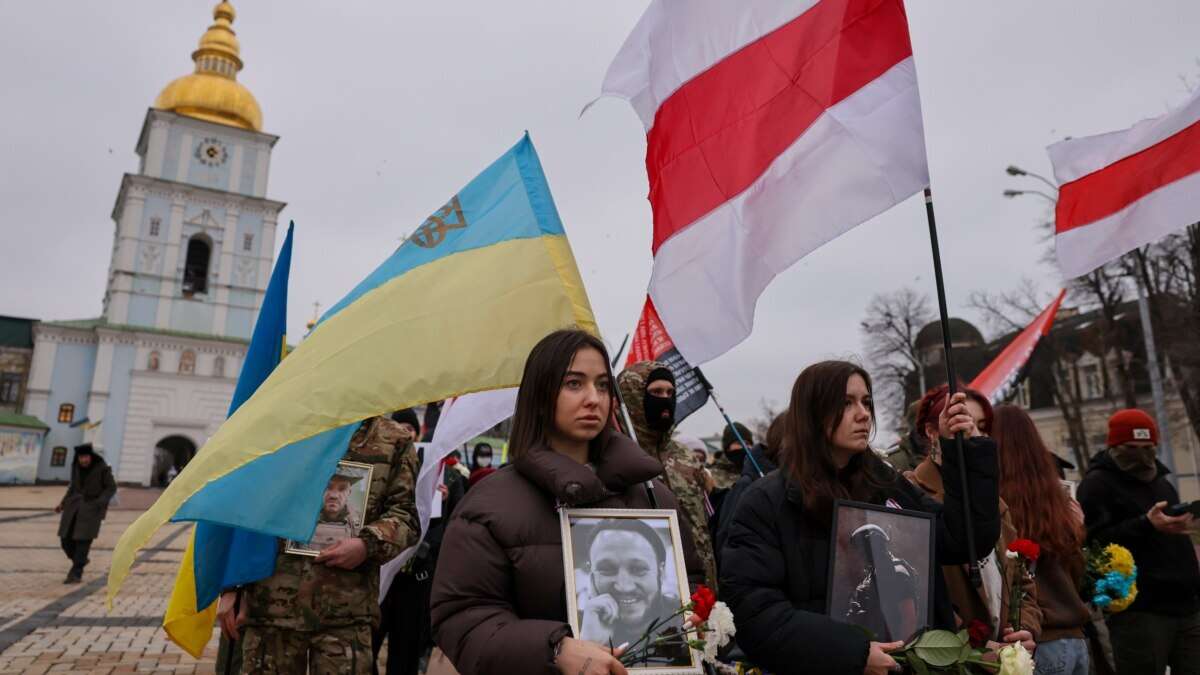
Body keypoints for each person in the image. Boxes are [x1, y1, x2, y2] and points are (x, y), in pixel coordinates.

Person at [431, 329, 701, 675]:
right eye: (575, 384)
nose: (594, 398)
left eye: (603, 385)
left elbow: (691, 581)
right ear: (541, 395)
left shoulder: (653, 496)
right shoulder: (488, 506)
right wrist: (555, 649)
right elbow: (462, 620)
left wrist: (690, 615)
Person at [721, 361, 999, 675]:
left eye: (866, 402)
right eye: (846, 403)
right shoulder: (765, 502)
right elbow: (754, 613)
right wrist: (852, 652)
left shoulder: (886, 484)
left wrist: (965, 449)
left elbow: (961, 539)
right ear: (813, 412)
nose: (863, 413)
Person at [217, 415, 420, 674]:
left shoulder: (393, 439)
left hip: (345, 614)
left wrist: (367, 544)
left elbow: (406, 516)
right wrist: (230, 584)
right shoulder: (281, 423)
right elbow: (240, 500)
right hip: (270, 609)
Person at [906, 387, 1040, 654]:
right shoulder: (910, 493)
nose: (973, 435)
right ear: (933, 432)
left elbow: (1021, 582)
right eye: (961, 424)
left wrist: (1025, 627)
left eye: (981, 427)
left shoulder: (995, 504)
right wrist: (972, 643)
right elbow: (913, 595)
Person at [1077, 409, 1200, 675]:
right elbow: (1094, 542)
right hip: (1139, 611)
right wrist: (1145, 524)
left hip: (1186, 604)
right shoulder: (1096, 485)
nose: (1142, 456)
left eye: (1148, 448)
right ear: (1115, 446)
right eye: (1132, 448)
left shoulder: (1161, 482)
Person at [991, 405, 1091, 675]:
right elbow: (1079, 573)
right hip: (1076, 641)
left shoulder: (998, 504)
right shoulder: (1058, 499)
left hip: (1038, 642)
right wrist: (1078, 531)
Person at [618, 362, 718, 591]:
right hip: (648, 591)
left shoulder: (687, 458)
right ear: (633, 396)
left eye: (670, 393)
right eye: (656, 392)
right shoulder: (619, 458)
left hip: (702, 593)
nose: (665, 399)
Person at [374, 444, 467, 675]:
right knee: (369, 643)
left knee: (405, 648)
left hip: (418, 577)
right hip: (384, 571)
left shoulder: (453, 478)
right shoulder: (392, 473)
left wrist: (442, 503)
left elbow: (455, 526)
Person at [578, 519, 688, 667]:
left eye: (638, 569)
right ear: (592, 575)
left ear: (660, 573)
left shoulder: (688, 621)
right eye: (606, 569)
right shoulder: (573, 629)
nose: (624, 586)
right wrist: (589, 647)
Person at [713, 415, 783, 564]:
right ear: (727, 447)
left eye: (748, 443)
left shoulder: (759, 473)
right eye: (739, 443)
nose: (745, 447)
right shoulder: (716, 474)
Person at [54, 443, 116, 583]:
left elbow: (111, 487)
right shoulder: (75, 467)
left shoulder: (102, 468)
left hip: (91, 510)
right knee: (65, 541)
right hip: (73, 509)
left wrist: (100, 502)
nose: (84, 460)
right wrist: (62, 504)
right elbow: (72, 488)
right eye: (81, 457)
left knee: (83, 542)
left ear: (91, 456)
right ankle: (81, 561)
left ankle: (76, 573)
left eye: (86, 457)